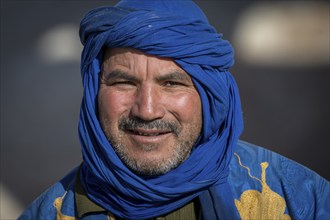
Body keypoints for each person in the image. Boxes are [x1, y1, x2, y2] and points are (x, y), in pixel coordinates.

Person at [19, 1, 329, 219]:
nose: (147, 110)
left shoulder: (302, 199)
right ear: (94, 93)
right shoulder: (50, 213)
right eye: (124, 82)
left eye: (172, 84)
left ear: (211, 96)